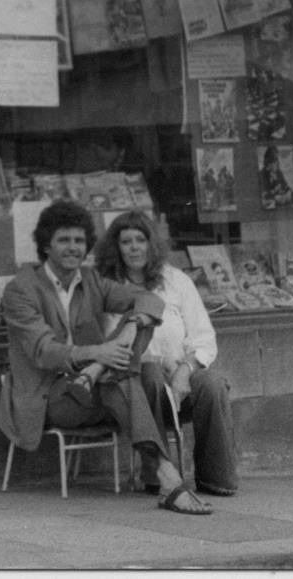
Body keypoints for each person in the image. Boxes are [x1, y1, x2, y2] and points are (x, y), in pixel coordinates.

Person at [0, 199, 212, 515]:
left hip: (94, 387)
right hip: (51, 395)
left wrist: (121, 339)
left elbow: (150, 299)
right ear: (46, 245)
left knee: (127, 348)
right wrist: (99, 353)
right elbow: (45, 352)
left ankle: (167, 479)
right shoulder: (21, 289)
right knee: (120, 375)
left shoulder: (91, 280)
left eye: (79, 240)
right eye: (64, 240)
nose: (73, 248)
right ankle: (169, 478)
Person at [93, 211, 240, 498]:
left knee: (212, 384)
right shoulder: (107, 288)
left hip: (179, 378)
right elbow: (108, 340)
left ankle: (216, 478)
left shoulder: (175, 280)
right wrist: (156, 362)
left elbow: (203, 337)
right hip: (136, 384)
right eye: (126, 242)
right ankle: (158, 476)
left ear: (152, 244)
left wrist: (185, 369)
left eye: (140, 240)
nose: (134, 247)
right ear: (116, 247)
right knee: (147, 373)